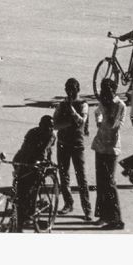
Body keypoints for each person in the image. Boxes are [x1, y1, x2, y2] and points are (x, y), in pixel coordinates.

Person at [53, 78, 91, 221]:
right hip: (63, 143)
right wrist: (69, 123)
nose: (70, 93)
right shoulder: (61, 104)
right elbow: (55, 123)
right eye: (67, 90)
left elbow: (82, 121)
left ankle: (87, 209)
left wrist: (71, 111)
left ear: (78, 90)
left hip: (77, 145)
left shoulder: (83, 104)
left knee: (81, 177)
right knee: (64, 176)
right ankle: (68, 203)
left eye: (72, 90)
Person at [92, 78, 125, 230]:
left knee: (110, 182)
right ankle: (103, 215)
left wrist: (106, 108)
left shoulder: (119, 105)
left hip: (111, 147)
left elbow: (114, 125)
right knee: (101, 181)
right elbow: (97, 112)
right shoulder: (104, 102)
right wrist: (99, 119)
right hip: (100, 144)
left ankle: (116, 218)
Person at [11, 115, 55, 232]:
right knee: (19, 186)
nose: (48, 129)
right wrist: (17, 161)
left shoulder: (51, 136)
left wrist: (40, 162)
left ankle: (31, 209)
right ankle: (21, 217)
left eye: (50, 127)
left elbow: (44, 150)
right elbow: (24, 147)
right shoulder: (32, 132)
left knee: (32, 183)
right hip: (26, 158)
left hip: (38, 160)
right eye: (46, 126)